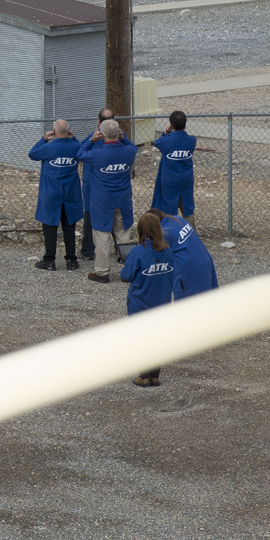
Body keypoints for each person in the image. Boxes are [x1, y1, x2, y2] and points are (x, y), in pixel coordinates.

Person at [79, 118, 138, 284]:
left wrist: (91, 139)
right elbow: (133, 147)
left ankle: (102, 272)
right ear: (118, 133)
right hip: (123, 200)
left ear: (101, 134)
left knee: (102, 235)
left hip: (103, 201)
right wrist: (123, 137)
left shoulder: (98, 154)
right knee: (123, 234)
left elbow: (79, 154)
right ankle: (129, 271)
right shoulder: (128, 152)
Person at [121, 211, 176, 387]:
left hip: (141, 303)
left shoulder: (138, 252)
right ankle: (155, 375)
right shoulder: (168, 251)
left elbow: (126, 275)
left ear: (141, 231)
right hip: (162, 302)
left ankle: (144, 376)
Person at [28, 120, 84, 271]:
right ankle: (71, 260)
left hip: (51, 193)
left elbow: (32, 153)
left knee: (50, 226)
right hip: (70, 193)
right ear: (68, 130)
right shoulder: (75, 147)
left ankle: (49, 260)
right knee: (69, 226)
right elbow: (83, 151)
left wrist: (43, 139)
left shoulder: (48, 147)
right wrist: (73, 138)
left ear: (53, 131)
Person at [149, 208, 219, 300]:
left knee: (187, 307)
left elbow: (155, 258)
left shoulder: (164, 233)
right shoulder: (177, 219)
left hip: (189, 272)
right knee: (209, 301)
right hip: (204, 260)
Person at [79, 107, 115, 261]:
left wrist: (91, 139)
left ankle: (88, 250)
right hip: (111, 185)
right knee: (114, 216)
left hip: (91, 185)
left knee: (89, 215)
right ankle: (123, 250)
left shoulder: (91, 141)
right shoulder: (118, 141)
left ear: (99, 122)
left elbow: (79, 151)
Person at [151, 110, 197, 227]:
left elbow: (157, 143)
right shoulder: (191, 140)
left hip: (170, 180)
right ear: (185, 124)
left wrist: (166, 133)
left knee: (169, 208)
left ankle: (171, 233)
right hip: (186, 179)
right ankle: (190, 234)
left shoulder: (165, 141)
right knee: (187, 208)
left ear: (171, 124)